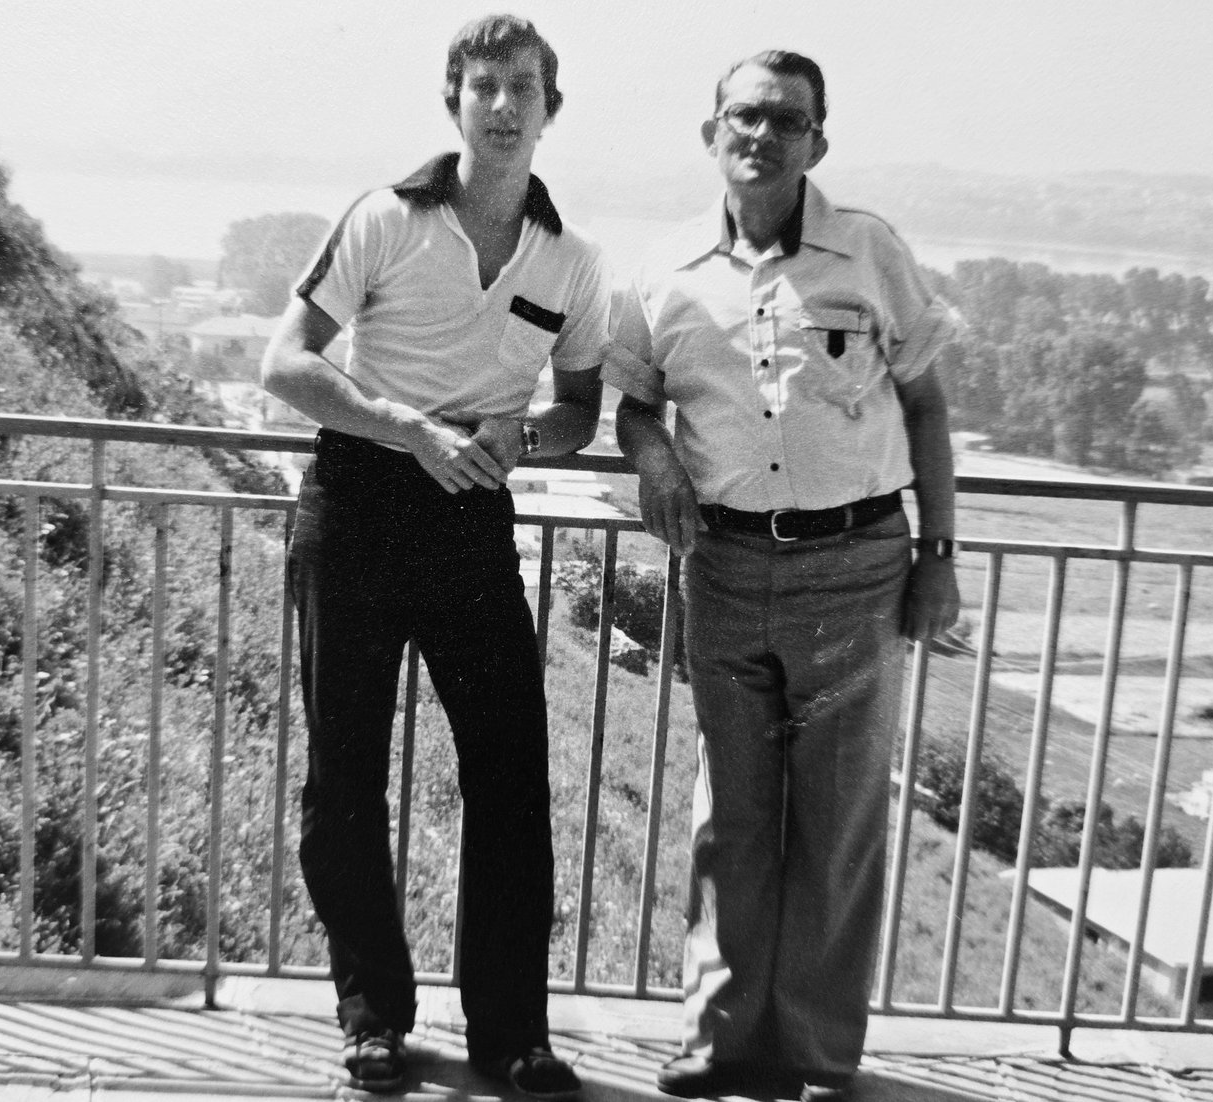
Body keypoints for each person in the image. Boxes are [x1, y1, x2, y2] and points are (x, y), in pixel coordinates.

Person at [261, 14, 607, 1098]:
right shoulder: (384, 218)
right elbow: (285, 363)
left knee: (511, 775)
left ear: (554, 106)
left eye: (525, 88)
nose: (504, 107)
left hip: (470, 524)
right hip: (358, 500)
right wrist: (406, 427)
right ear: (452, 101)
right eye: (485, 87)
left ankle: (512, 1035)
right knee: (346, 773)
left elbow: (581, 407)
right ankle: (373, 1018)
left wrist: (525, 435)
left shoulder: (573, 259)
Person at [605, 49, 960, 1102]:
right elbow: (632, 399)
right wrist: (655, 452)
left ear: (819, 142)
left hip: (857, 568)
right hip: (721, 565)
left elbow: (930, 406)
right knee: (734, 814)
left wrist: (939, 554)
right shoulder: (665, 271)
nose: (763, 135)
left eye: (787, 120)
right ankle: (716, 1040)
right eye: (745, 117)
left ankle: (808, 1056)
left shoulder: (870, 253)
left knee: (838, 819)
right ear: (710, 132)